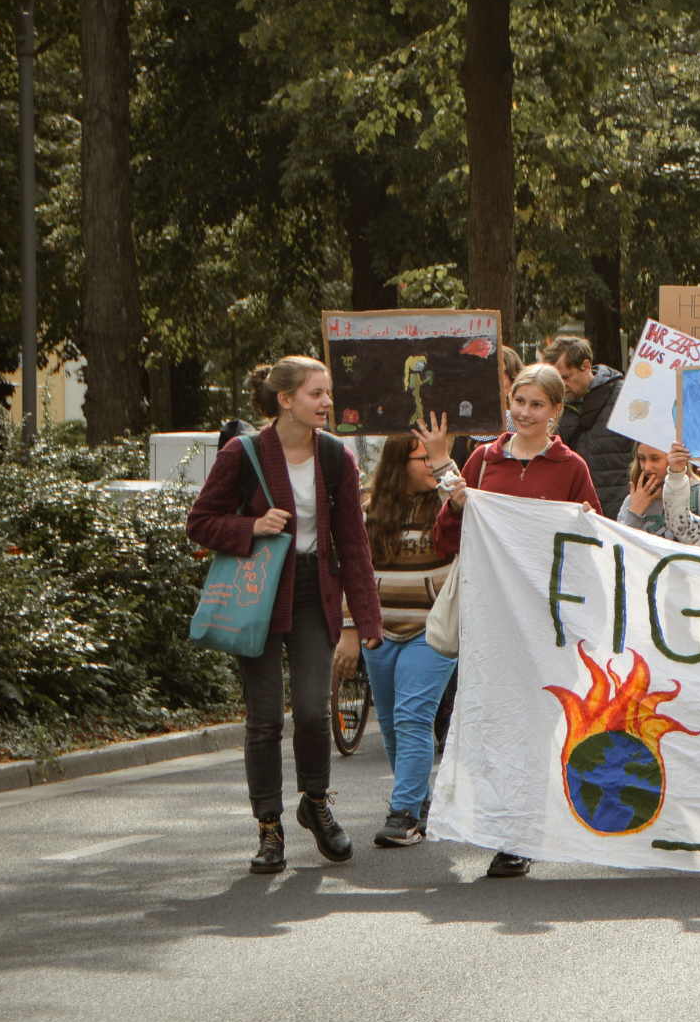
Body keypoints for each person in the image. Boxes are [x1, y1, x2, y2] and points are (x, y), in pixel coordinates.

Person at [187, 357, 382, 874]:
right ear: (286, 399)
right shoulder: (243, 452)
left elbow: (354, 546)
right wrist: (250, 526)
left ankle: (315, 803)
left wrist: (364, 623)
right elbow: (200, 522)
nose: (326, 402)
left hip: (313, 592)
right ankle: (269, 826)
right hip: (259, 593)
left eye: (328, 393)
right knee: (266, 717)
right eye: (316, 394)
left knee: (316, 713)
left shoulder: (337, 457)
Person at [434, 363, 602, 877]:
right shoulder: (484, 460)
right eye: (518, 401)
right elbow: (448, 537)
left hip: (547, 618)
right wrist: (455, 492)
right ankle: (496, 825)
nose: (524, 412)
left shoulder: (571, 466)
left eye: (536, 404)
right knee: (491, 718)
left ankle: (520, 834)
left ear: (556, 411)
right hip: (492, 621)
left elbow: (590, 543)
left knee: (536, 724)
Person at [336, 419, 459, 848]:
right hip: (379, 632)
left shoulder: (448, 506)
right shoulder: (370, 512)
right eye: (422, 456)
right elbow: (354, 571)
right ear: (397, 464)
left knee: (413, 718)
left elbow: (462, 502)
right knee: (390, 726)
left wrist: (443, 461)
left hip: (432, 632)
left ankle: (403, 811)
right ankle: (421, 803)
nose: (430, 462)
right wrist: (352, 628)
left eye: (434, 455)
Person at [544, 336, 636, 518]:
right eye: (556, 379)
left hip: (622, 515)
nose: (561, 385)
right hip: (577, 514)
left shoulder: (624, 397)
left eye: (566, 377)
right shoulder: (553, 406)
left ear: (586, 366)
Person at [619, 443, 700, 539]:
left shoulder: (699, 494)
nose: (647, 467)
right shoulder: (633, 500)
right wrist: (634, 514)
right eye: (642, 459)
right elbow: (616, 548)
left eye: (655, 459)